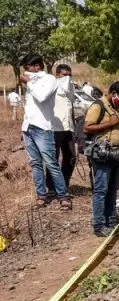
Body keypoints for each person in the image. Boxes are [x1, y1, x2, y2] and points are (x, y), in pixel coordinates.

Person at [20, 55, 71, 211]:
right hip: (28, 127)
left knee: (51, 163)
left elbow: (42, 97)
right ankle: (41, 195)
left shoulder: (49, 80)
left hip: (42, 127)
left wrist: (29, 83)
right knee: (35, 164)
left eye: (27, 68)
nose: (26, 72)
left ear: (36, 66)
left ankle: (63, 196)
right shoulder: (32, 81)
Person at [84, 81, 119, 237]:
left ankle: (110, 222)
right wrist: (108, 123)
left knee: (113, 190)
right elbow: (87, 127)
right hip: (102, 155)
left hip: (117, 154)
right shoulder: (98, 106)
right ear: (113, 93)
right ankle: (99, 226)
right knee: (101, 191)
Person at [45, 64, 77, 196]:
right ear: (57, 75)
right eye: (65, 75)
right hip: (55, 127)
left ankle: (64, 183)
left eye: (70, 75)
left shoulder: (71, 87)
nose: (68, 78)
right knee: (53, 158)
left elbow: (70, 107)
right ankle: (52, 188)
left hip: (68, 127)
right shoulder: (53, 86)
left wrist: (73, 124)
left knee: (71, 157)